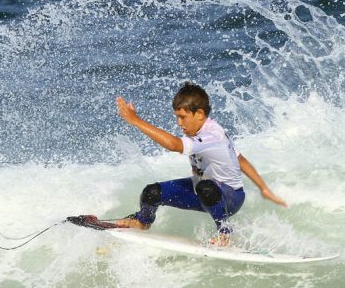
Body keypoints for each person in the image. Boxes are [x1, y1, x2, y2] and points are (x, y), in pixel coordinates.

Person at [115, 82, 287, 245]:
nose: (179, 123)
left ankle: (225, 234)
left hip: (229, 197)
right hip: (202, 191)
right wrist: (263, 188)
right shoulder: (201, 130)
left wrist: (136, 121)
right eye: (177, 117)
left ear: (199, 114)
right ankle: (142, 221)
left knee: (206, 188)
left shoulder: (212, 135)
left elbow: (175, 145)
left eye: (183, 117)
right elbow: (240, 159)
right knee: (152, 193)